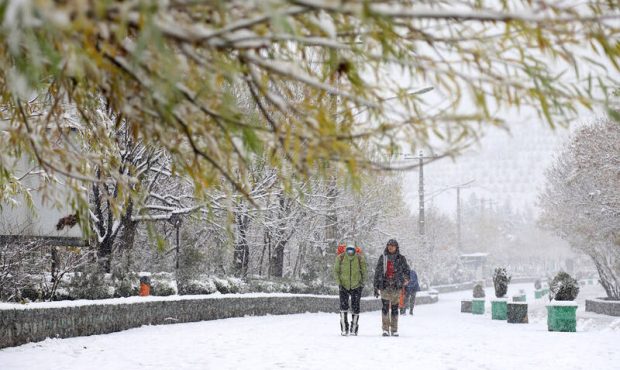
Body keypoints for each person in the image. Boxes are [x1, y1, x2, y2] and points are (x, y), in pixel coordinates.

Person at [373, 239, 410, 336]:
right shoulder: (383, 257)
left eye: (393, 245)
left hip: (396, 286)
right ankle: (385, 329)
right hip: (384, 286)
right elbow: (377, 272)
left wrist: (406, 279)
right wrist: (375, 286)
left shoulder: (401, 258)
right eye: (389, 245)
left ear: (396, 247)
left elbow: (406, 270)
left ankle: (394, 329)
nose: (390, 247)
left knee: (394, 308)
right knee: (385, 308)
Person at [333, 243, 368, 336]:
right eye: (348, 249)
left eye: (352, 250)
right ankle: (344, 328)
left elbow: (364, 272)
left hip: (356, 286)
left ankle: (354, 329)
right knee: (343, 307)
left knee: (355, 307)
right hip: (343, 286)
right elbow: (336, 271)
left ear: (355, 250)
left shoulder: (360, 259)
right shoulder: (340, 258)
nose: (350, 251)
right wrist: (339, 283)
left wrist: (361, 284)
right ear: (345, 250)